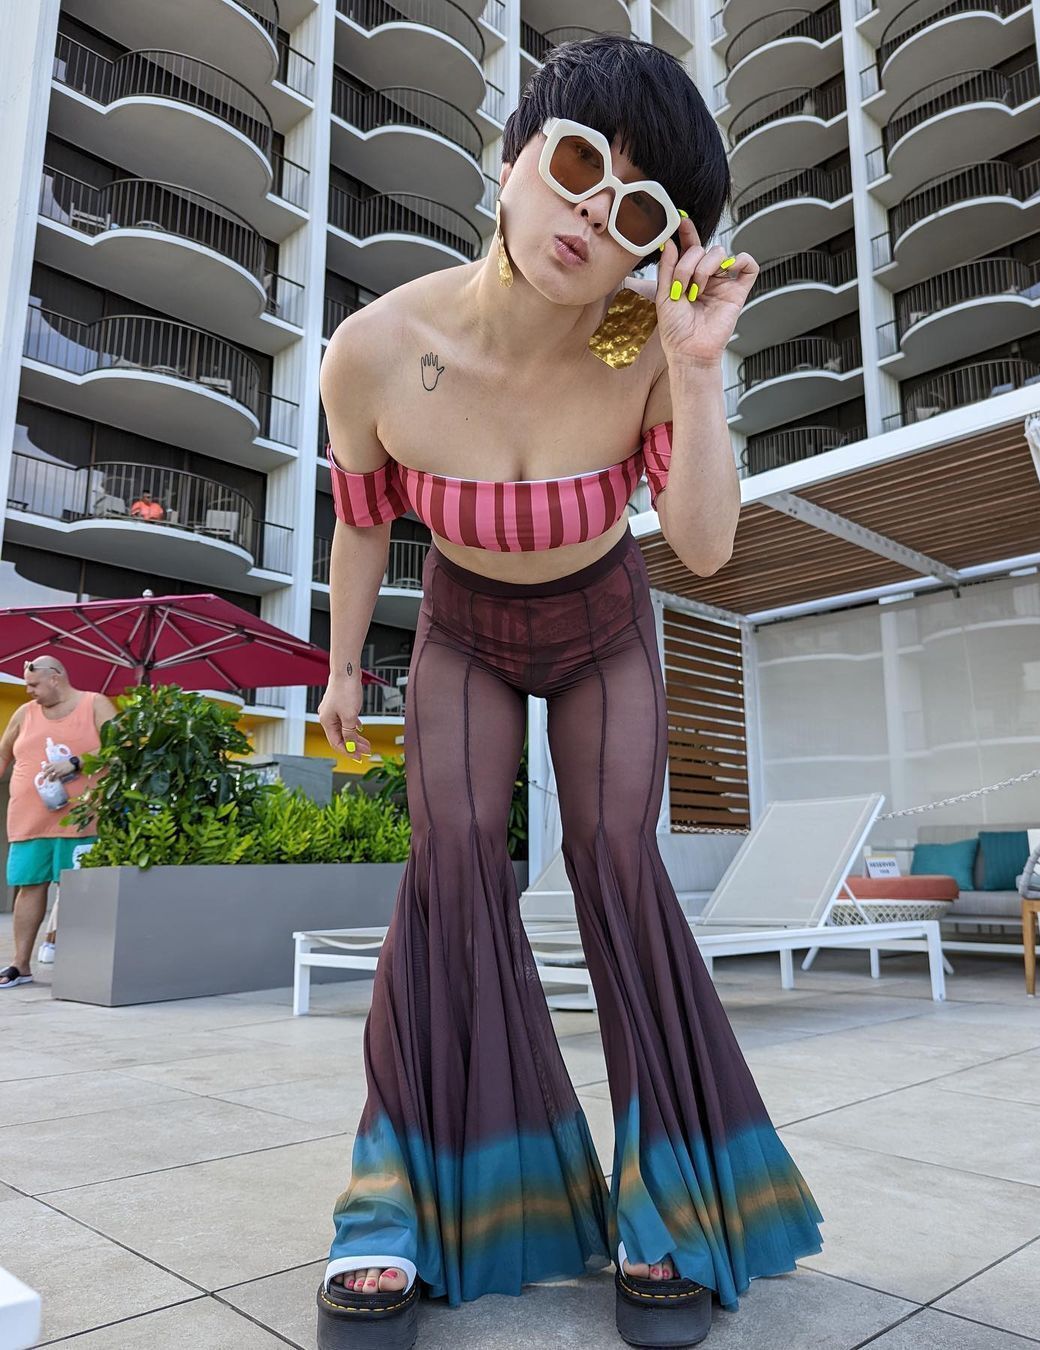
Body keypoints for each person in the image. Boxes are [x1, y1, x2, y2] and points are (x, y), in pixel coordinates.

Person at [314, 35, 823, 1349]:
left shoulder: (645, 348)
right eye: (580, 162)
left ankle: (669, 1201)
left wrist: (696, 369)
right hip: (463, 629)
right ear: (513, 157)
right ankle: (392, 1201)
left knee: (614, 860)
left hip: (601, 623)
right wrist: (342, 668)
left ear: (660, 249)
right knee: (449, 861)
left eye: (641, 211)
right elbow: (364, 523)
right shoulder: (374, 350)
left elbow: (702, 544)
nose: (595, 213)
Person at [0, 657, 115, 987]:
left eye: (34, 684)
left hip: (83, 819)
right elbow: (3, 753)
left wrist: (76, 763)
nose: (28, 691)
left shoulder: (95, 704)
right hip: (28, 820)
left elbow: (121, 748)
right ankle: (20, 965)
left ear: (56, 677)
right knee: (28, 887)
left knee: (79, 891)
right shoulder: (25, 713)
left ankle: (79, 967)